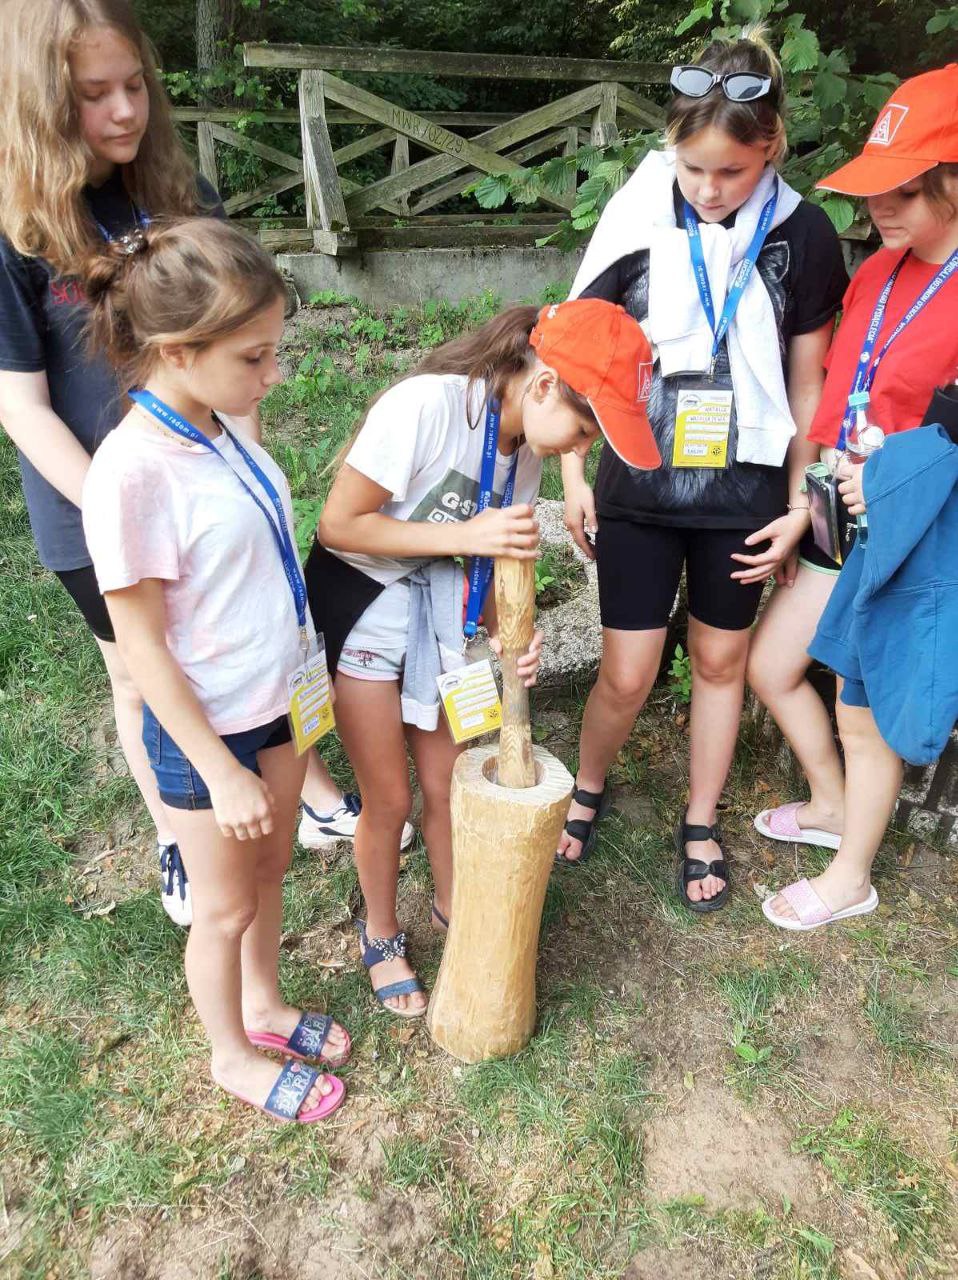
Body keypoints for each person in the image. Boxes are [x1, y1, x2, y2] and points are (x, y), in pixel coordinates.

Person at [0, 0, 380, 928]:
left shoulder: (181, 187)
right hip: (100, 505)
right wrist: (119, 512)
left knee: (251, 639)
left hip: (217, 494)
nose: (126, 111)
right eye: (94, 95)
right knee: (145, 672)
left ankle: (303, 784)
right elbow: (21, 404)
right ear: (41, 103)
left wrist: (245, 482)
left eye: (135, 85)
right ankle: (180, 830)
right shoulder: (15, 228)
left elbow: (235, 346)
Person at [556, 29, 847, 913]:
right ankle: (588, 784)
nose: (709, 190)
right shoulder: (635, 213)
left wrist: (800, 505)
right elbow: (581, 354)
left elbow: (807, 382)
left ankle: (699, 815)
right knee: (628, 671)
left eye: (732, 172)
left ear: (773, 146)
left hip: (745, 494)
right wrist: (573, 476)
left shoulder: (805, 234)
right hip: (638, 483)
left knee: (721, 661)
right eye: (692, 169)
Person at [307, 299, 660, 1014]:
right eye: (583, 429)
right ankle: (380, 931)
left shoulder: (523, 448)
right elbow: (339, 525)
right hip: (365, 608)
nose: (580, 448)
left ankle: (454, 908)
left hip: (445, 618)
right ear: (544, 385)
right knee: (390, 798)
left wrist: (506, 637)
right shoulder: (426, 407)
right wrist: (466, 535)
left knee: (449, 784)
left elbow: (489, 561)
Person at [81, 217, 350, 1122]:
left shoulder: (216, 424)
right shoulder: (131, 474)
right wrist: (219, 771)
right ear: (177, 352)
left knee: (270, 872)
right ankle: (230, 1056)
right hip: (211, 733)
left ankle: (264, 1005)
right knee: (223, 909)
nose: (273, 376)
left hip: (274, 701)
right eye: (254, 357)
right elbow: (143, 648)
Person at [755, 66, 958, 929]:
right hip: (840, 514)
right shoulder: (875, 271)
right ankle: (834, 804)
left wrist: (888, 482)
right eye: (876, 186)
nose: (880, 206)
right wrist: (805, 510)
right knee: (771, 665)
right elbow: (841, 403)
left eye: (905, 190)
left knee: (861, 703)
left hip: (914, 532)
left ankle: (852, 877)